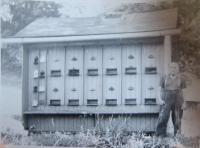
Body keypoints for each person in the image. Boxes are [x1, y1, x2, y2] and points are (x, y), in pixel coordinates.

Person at [156, 62, 186, 137]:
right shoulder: (164, 77)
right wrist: (159, 99)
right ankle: (160, 135)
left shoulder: (181, 78)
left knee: (177, 118)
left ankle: (178, 135)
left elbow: (184, 91)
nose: (173, 69)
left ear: (178, 69)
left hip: (178, 99)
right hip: (166, 98)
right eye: (171, 67)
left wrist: (184, 102)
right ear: (168, 69)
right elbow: (159, 89)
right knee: (163, 117)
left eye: (175, 67)